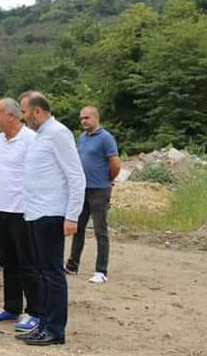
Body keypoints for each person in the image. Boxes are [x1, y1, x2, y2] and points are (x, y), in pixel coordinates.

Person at [16, 91, 85, 346]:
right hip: (36, 213)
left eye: (24, 112)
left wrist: (72, 216)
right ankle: (44, 323)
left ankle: (56, 330)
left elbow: (76, 176)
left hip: (52, 213)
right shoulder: (41, 136)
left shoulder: (58, 133)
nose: (22, 118)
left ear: (36, 111)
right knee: (42, 273)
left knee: (52, 274)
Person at [0, 98, 41, 332]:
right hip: (2, 209)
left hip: (23, 211)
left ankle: (36, 312)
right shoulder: (0, 139)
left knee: (27, 263)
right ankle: (11, 307)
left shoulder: (31, 139)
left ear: (12, 116)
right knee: (7, 262)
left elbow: (40, 174)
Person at [66, 106, 121, 284]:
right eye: (81, 118)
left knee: (100, 230)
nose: (84, 121)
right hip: (82, 189)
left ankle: (101, 271)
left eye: (87, 118)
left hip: (99, 189)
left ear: (96, 118)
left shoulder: (106, 138)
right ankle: (72, 265)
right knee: (78, 227)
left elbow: (115, 164)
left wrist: (106, 180)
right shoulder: (81, 138)